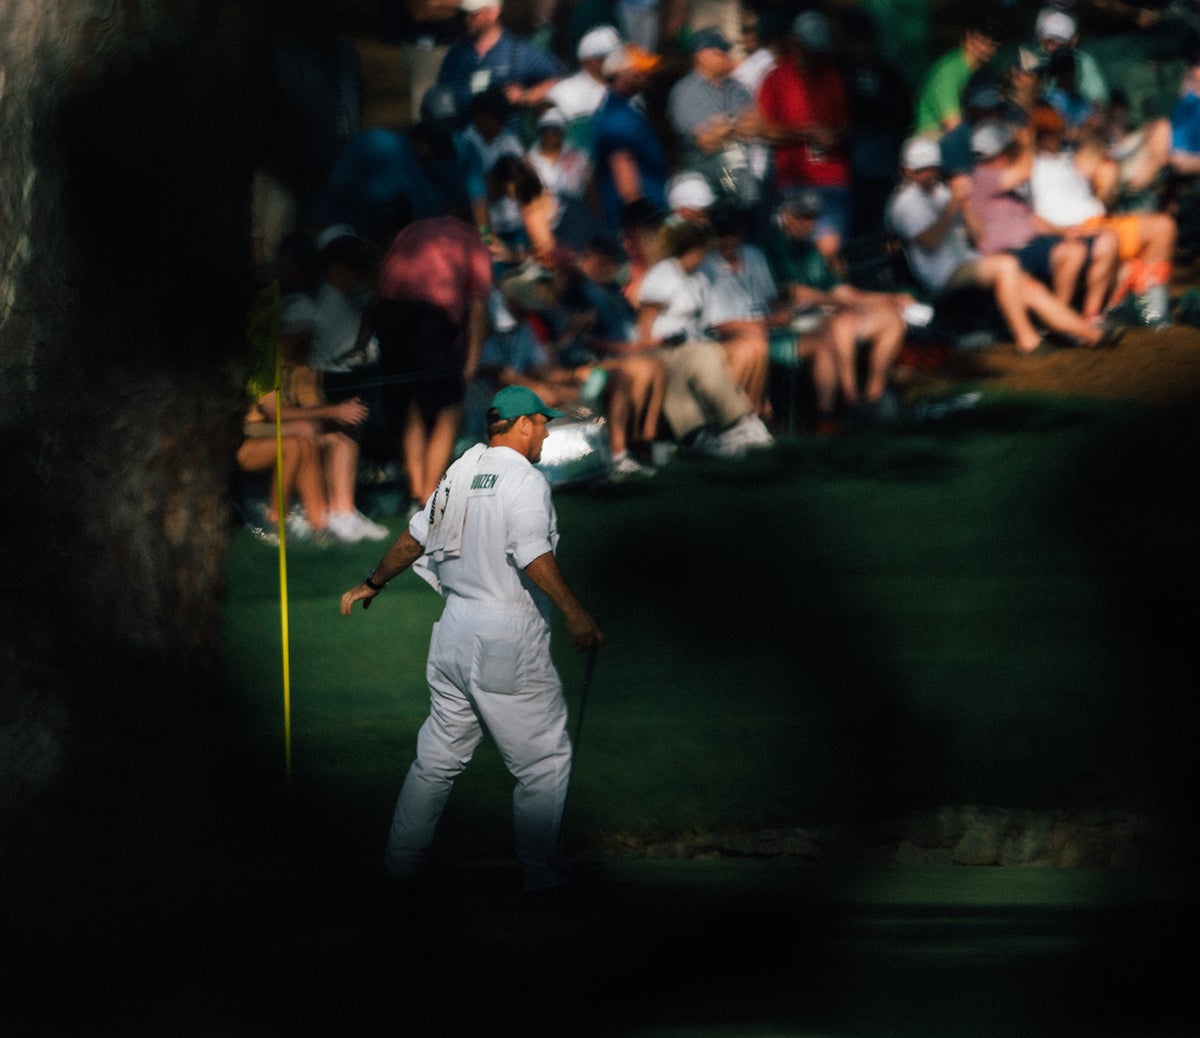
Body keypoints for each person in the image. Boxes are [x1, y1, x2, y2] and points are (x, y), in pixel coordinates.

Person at [339, 385, 603, 898]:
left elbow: (414, 538)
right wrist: (576, 613)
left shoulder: (462, 469)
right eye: (542, 422)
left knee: (435, 760)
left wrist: (373, 582)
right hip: (506, 634)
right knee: (542, 762)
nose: (547, 431)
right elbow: (530, 550)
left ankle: (400, 871)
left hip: (453, 634)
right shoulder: (525, 480)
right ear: (522, 424)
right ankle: (545, 878)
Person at [888, 134, 1119, 353]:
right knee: (1005, 265)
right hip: (941, 275)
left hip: (968, 262)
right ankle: (1027, 341)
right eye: (920, 170)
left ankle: (1090, 335)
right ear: (906, 170)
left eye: (931, 168)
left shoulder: (940, 192)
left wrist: (965, 205)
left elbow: (977, 235)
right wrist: (952, 206)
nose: (928, 174)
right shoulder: (904, 204)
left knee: (1032, 288)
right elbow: (929, 242)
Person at [373, 213, 493, 515]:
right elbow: (478, 307)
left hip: (389, 313)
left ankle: (416, 492)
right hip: (429, 318)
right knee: (449, 408)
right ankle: (428, 495)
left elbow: (381, 280)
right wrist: (472, 359)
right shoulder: (471, 238)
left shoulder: (412, 229)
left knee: (410, 404)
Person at [237, 294, 383, 543]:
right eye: (301, 332)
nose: (307, 338)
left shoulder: (304, 363)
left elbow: (312, 405)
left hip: (290, 431)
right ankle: (277, 519)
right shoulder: (263, 363)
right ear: (285, 332)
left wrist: (341, 412)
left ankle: (337, 517)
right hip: (252, 437)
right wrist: (330, 412)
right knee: (300, 437)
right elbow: (273, 413)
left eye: (309, 332)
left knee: (340, 435)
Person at [635, 218, 773, 457]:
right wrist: (648, 345)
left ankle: (739, 421)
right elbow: (646, 321)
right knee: (703, 357)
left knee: (739, 350)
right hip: (662, 347)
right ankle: (701, 431)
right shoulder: (664, 274)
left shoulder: (697, 278)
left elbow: (703, 322)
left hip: (693, 342)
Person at [966, 119, 1120, 321]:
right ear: (1001, 152)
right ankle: (1060, 320)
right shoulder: (982, 176)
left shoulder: (1003, 180)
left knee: (1104, 239)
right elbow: (1023, 171)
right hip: (1010, 251)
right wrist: (1028, 140)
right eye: (1011, 148)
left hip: (1035, 242)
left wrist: (1064, 232)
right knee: (1073, 252)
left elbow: (1032, 218)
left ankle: (1087, 317)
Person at [757, 10, 853, 275]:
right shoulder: (775, 77)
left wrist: (835, 134)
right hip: (794, 179)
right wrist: (807, 131)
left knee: (831, 249)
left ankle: (840, 302)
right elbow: (766, 130)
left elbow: (845, 122)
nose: (817, 55)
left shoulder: (831, 74)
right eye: (811, 48)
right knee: (799, 251)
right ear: (796, 43)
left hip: (832, 176)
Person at [667, 27, 764, 214]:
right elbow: (705, 142)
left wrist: (723, 126)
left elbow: (756, 126)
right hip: (705, 179)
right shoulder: (685, 92)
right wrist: (736, 124)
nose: (726, 56)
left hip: (742, 177)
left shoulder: (738, 88)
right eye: (720, 52)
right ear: (701, 56)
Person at [436, 0, 565, 130]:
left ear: (494, 12)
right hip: (463, 138)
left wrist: (526, 95)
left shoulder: (519, 50)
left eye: (474, 14)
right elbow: (442, 91)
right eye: (465, 14)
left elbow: (556, 80)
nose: (468, 18)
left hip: (504, 138)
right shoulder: (457, 53)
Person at [590, 42, 670, 227]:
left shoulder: (626, 109)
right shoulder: (617, 117)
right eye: (640, 70)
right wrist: (640, 218)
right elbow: (623, 167)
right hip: (638, 221)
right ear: (622, 74)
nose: (647, 75)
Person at [913, 17, 1001, 136]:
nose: (990, 43)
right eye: (984, 36)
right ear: (968, 37)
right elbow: (953, 125)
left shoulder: (982, 71)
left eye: (995, 38)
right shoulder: (949, 71)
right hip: (930, 141)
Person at [545, 23, 623, 153]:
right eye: (609, 57)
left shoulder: (628, 88)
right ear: (589, 61)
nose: (618, 61)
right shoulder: (563, 93)